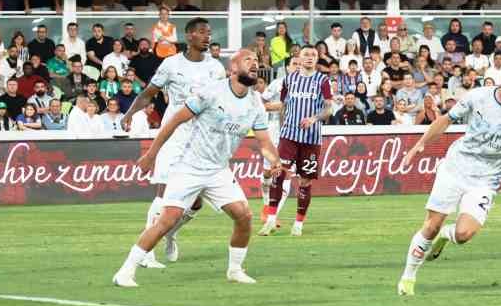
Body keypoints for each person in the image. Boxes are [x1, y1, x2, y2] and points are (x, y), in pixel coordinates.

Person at [115, 51, 274, 288]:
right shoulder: (211, 92)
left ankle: (235, 270)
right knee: (167, 220)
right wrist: (151, 154)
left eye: (256, 62)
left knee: (244, 216)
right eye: (248, 60)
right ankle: (125, 272)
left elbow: (264, 141)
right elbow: (175, 120)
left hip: (218, 170)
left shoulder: (255, 103)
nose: (254, 65)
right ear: (233, 67)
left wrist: (275, 160)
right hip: (189, 166)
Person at [394, 55, 501, 295]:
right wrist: (419, 145)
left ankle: (446, 236)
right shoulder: (478, 97)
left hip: (486, 180)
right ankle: (408, 279)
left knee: (463, 234)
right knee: (430, 227)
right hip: (456, 168)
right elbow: (445, 120)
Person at [120, 18, 228, 268]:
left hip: (203, 138)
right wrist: (129, 113)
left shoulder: (217, 69)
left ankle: (170, 232)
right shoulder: (171, 64)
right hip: (174, 133)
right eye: (202, 32)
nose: (207, 36)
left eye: (209, 33)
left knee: (197, 201)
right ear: (189, 36)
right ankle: (147, 253)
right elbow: (148, 93)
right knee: (164, 191)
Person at [259, 45, 336, 236]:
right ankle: (270, 220)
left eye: (313, 55)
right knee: (278, 173)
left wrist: (314, 118)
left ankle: (298, 224)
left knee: (305, 182)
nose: (310, 57)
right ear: (299, 58)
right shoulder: (289, 80)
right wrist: (271, 113)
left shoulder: (323, 80)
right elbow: (284, 105)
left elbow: (329, 109)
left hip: (311, 138)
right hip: (288, 136)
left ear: (317, 59)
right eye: (306, 54)